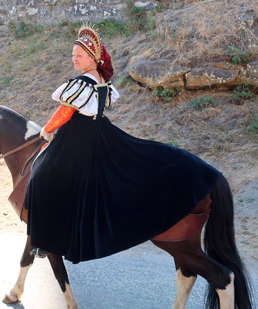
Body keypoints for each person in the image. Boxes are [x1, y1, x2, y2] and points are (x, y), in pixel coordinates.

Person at [25, 24, 221, 264]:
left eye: (79, 56)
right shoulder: (102, 82)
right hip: (99, 132)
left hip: (78, 138)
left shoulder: (81, 84)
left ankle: (44, 241)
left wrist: (46, 131)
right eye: (73, 54)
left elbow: (64, 112)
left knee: (41, 173)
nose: (73, 59)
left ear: (93, 59)